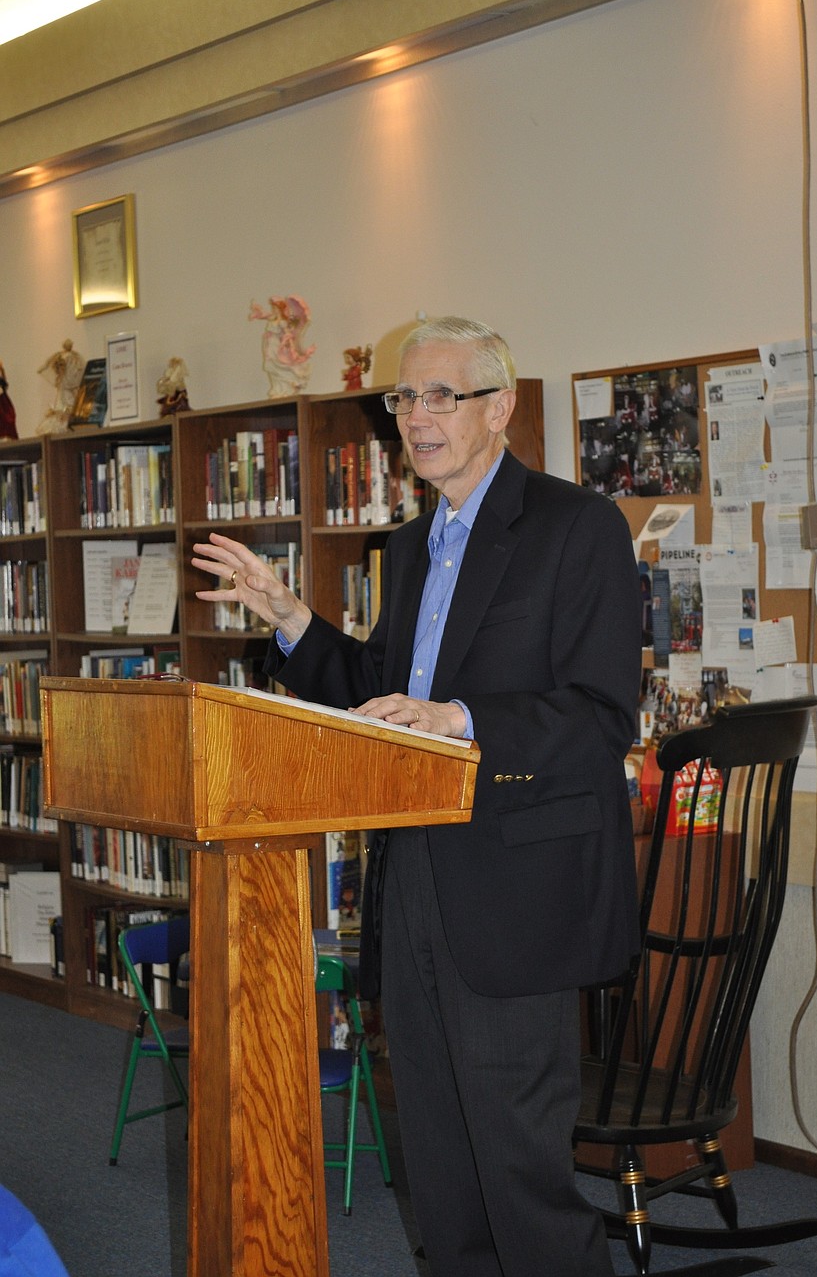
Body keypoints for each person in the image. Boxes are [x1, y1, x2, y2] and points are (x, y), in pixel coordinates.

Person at [192, 316, 642, 1277]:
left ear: (501, 408)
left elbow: (602, 715)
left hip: (516, 894)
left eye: (443, 395)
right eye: (404, 398)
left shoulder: (576, 527)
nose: (417, 417)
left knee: (522, 1177)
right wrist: (289, 615)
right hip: (413, 885)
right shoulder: (408, 547)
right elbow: (378, 690)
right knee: (441, 1171)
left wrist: (461, 718)